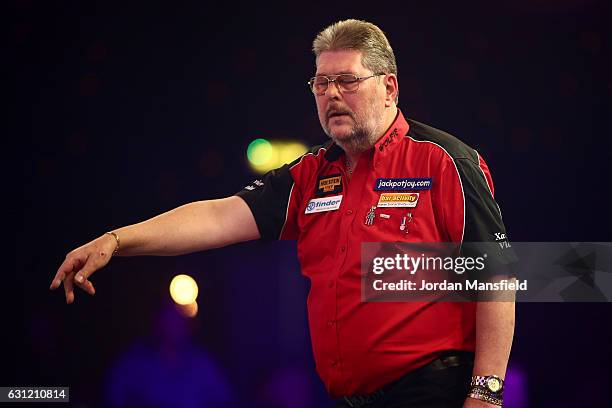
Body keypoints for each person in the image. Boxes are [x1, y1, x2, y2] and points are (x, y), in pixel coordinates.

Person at [50, 19, 515, 407]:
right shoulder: (311, 175)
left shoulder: (443, 161)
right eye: (321, 82)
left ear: (389, 87)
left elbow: (498, 276)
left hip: (433, 393)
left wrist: (488, 393)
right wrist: (116, 240)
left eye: (347, 81)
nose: (332, 94)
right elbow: (217, 217)